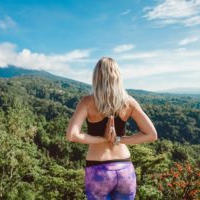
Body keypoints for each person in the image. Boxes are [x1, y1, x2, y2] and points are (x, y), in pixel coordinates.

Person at [66, 57, 158, 200]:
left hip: (98, 169)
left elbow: (72, 135)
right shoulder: (129, 102)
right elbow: (151, 135)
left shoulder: (87, 102)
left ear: (96, 77)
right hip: (125, 169)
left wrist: (102, 139)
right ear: (118, 77)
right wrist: (119, 139)